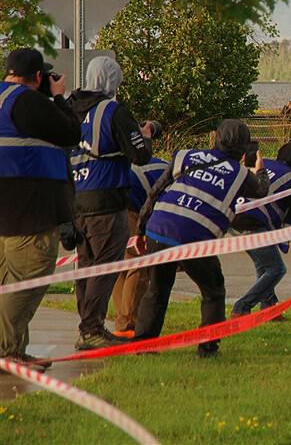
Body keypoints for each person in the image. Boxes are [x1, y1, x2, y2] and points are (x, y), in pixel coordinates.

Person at [134, 119, 269, 358]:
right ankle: (207, 347)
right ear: (242, 147)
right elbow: (260, 190)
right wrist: (260, 170)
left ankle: (144, 345)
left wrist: (141, 229)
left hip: (159, 228)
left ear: (216, 138)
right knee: (213, 291)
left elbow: (156, 191)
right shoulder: (240, 175)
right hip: (195, 239)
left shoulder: (184, 156)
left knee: (157, 289)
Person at [0, 49, 81, 371]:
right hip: (29, 210)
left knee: (9, 281)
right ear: (37, 77)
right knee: (28, 279)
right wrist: (59, 97)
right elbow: (72, 132)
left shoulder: (6, 99)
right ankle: (7, 351)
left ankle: (15, 350)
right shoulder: (28, 101)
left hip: (6, 211)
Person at [67, 56, 153, 350]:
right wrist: (145, 136)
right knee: (104, 267)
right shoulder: (114, 112)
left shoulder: (69, 109)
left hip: (76, 199)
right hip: (107, 199)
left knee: (86, 267)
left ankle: (87, 326)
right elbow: (141, 156)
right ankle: (91, 329)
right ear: (113, 81)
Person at [231, 143, 291, 319]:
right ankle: (241, 307)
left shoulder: (265, 164)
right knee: (276, 269)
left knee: (264, 267)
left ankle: (269, 309)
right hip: (253, 222)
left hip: (234, 216)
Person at [110, 157, 168, 338]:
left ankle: (122, 321)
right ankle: (128, 323)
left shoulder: (160, 165)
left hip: (109, 201)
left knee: (118, 265)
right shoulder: (175, 176)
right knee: (138, 264)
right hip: (131, 205)